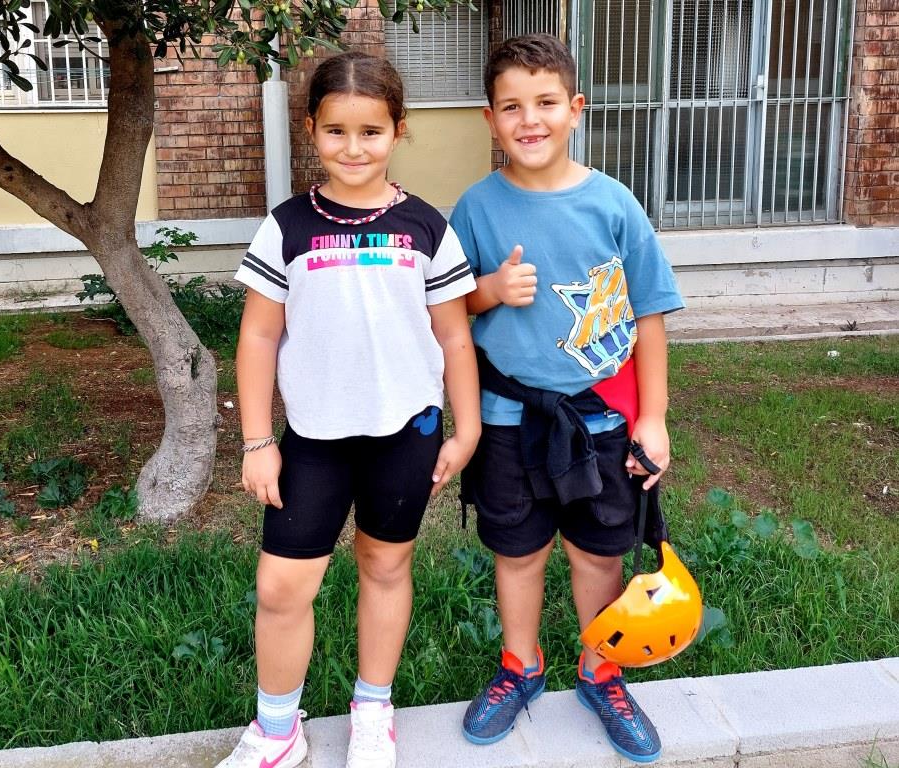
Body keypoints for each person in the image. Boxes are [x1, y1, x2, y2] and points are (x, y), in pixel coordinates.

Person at [219, 51, 480, 768]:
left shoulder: (427, 227)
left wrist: (468, 428)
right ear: (311, 129)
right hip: (314, 440)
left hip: (407, 434)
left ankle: (372, 710)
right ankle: (278, 730)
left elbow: (455, 336)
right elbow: (258, 335)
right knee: (281, 586)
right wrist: (256, 441)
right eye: (336, 131)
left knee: (384, 567)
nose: (354, 147)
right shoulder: (286, 227)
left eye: (371, 131)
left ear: (398, 130)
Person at [451, 34, 684, 764]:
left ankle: (600, 669)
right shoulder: (475, 209)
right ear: (490, 118)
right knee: (518, 551)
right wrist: (489, 290)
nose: (530, 120)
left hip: (602, 420)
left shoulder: (613, 204)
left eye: (546, 102)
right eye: (511, 106)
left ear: (575, 108)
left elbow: (649, 312)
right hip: (507, 419)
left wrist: (653, 418)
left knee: (598, 551)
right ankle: (520, 665)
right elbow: (444, 313)